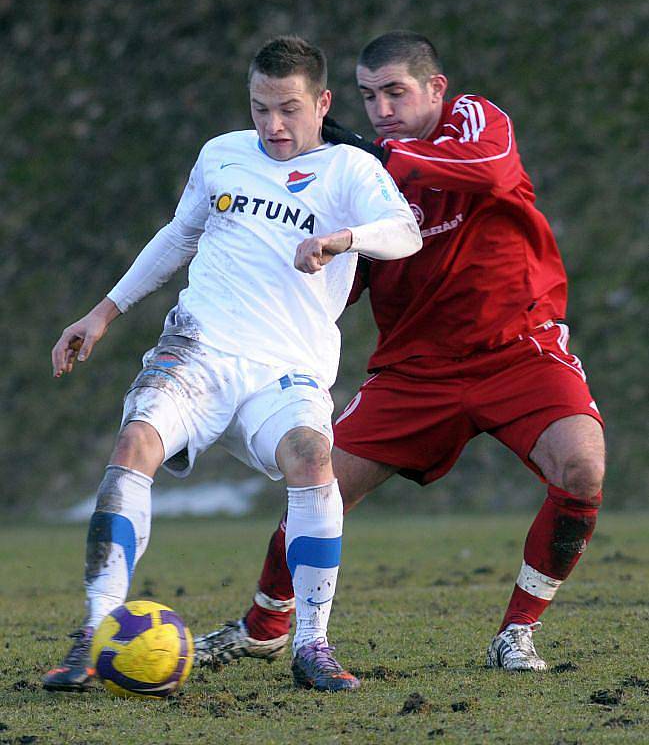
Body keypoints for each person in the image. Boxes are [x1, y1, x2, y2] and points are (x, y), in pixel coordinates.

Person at [194, 31, 605, 673]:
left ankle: (516, 632)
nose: (381, 108)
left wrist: (388, 155)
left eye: (395, 92)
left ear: (435, 89)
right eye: (367, 96)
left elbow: (492, 172)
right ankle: (264, 623)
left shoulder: (471, 121)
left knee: (582, 469)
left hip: (517, 352)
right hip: (414, 373)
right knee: (318, 486)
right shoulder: (362, 175)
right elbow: (341, 280)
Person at [42, 35, 421, 694]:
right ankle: (96, 633)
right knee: (134, 444)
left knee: (310, 458)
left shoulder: (351, 171)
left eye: (288, 109)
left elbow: (404, 233)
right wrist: (103, 311)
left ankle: (311, 645)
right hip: (198, 350)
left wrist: (342, 239)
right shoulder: (221, 155)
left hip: (286, 368)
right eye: (259, 108)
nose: (272, 125)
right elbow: (178, 235)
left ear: (321, 102)